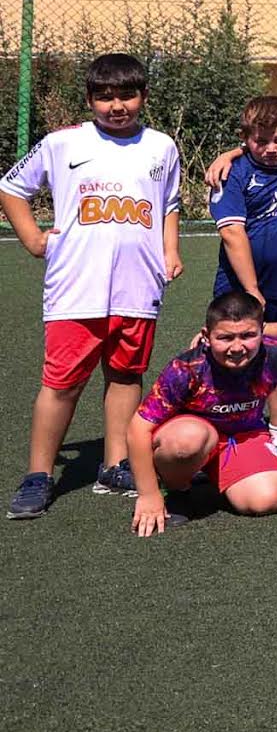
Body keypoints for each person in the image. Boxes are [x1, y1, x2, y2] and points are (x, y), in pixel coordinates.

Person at [4, 52, 183, 519]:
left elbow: (169, 203)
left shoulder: (161, 146)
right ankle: (39, 474)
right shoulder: (62, 142)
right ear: (89, 100)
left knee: (125, 375)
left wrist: (170, 250)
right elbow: (12, 187)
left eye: (127, 95)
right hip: (75, 287)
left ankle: (115, 464)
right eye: (104, 97)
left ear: (143, 96)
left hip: (138, 285)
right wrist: (33, 239)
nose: (116, 106)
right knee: (61, 383)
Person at [125, 290, 277, 535]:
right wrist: (148, 494)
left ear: (262, 332)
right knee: (187, 441)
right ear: (206, 336)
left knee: (269, 499)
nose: (237, 347)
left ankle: (224, 476)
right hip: (191, 435)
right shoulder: (186, 369)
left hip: (243, 436)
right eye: (225, 337)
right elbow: (138, 428)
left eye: (248, 335)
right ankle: (177, 487)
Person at [208, 95, 277, 324]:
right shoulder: (231, 172)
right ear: (244, 137)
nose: (271, 149)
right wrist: (252, 289)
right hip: (240, 288)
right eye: (261, 141)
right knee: (237, 343)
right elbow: (231, 232)